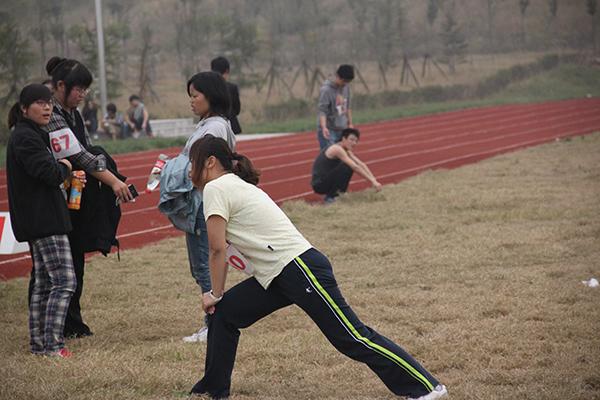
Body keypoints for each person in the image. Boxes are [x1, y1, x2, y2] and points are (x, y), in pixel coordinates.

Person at [187, 135, 448, 400]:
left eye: (191, 162)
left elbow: (217, 248)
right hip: (278, 274)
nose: (188, 170)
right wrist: (219, 299)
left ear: (209, 162)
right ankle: (212, 390)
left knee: (352, 337)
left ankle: (427, 387)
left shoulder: (216, 188)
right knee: (224, 314)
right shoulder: (233, 184)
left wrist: (214, 293)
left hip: (299, 268)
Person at [44, 56, 134, 338]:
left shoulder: (73, 112)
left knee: (75, 258)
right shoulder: (52, 114)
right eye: (78, 89)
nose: (82, 95)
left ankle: (72, 323)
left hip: (73, 194)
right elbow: (78, 156)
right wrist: (114, 182)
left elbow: (83, 151)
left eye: (85, 89)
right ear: (60, 86)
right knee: (55, 268)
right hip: (51, 194)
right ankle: (54, 325)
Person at [158, 71, 236, 343]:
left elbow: (204, 165)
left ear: (210, 96)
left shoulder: (214, 127)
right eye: (189, 95)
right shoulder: (208, 124)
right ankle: (214, 322)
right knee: (202, 264)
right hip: (201, 202)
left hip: (205, 203)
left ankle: (214, 325)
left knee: (206, 264)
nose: (191, 101)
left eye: (195, 95)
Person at [6, 84, 77, 358]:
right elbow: (49, 173)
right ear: (24, 109)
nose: (47, 107)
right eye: (39, 103)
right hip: (44, 219)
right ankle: (53, 346)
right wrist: (65, 167)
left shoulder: (30, 133)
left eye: (48, 102)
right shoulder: (26, 137)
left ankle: (40, 345)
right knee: (64, 280)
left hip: (39, 218)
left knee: (45, 283)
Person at [312, 128, 382, 203]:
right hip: (319, 184)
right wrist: (372, 181)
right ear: (343, 139)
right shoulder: (337, 149)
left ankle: (336, 195)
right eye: (351, 140)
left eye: (356, 141)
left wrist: (374, 180)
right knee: (347, 166)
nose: (354, 143)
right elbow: (355, 167)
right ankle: (331, 197)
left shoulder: (346, 150)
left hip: (326, 180)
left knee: (348, 166)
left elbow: (361, 164)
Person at [317, 64, 355, 150]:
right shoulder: (326, 90)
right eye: (344, 81)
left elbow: (348, 106)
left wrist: (350, 123)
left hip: (342, 128)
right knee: (330, 157)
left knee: (343, 157)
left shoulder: (347, 87)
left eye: (347, 82)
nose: (345, 84)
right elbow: (322, 110)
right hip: (329, 129)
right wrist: (324, 127)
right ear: (337, 76)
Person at [210, 56, 242, 134]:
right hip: (230, 125)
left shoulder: (206, 87)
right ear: (227, 70)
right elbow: (237, 109)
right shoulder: (232, 88)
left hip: (211, 126)